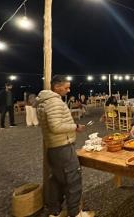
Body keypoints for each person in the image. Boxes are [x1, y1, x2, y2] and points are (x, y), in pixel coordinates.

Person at [36, 75, 94, 217]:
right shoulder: (54, 102)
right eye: (66, 87)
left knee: (56, 180)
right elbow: (56, 126)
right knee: (72, 179)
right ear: (57, 86)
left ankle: (54, 211)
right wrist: (75, 126)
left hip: (53, 146)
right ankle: (75, 213)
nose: (69, 90)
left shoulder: (44, 101)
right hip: (62, 146)